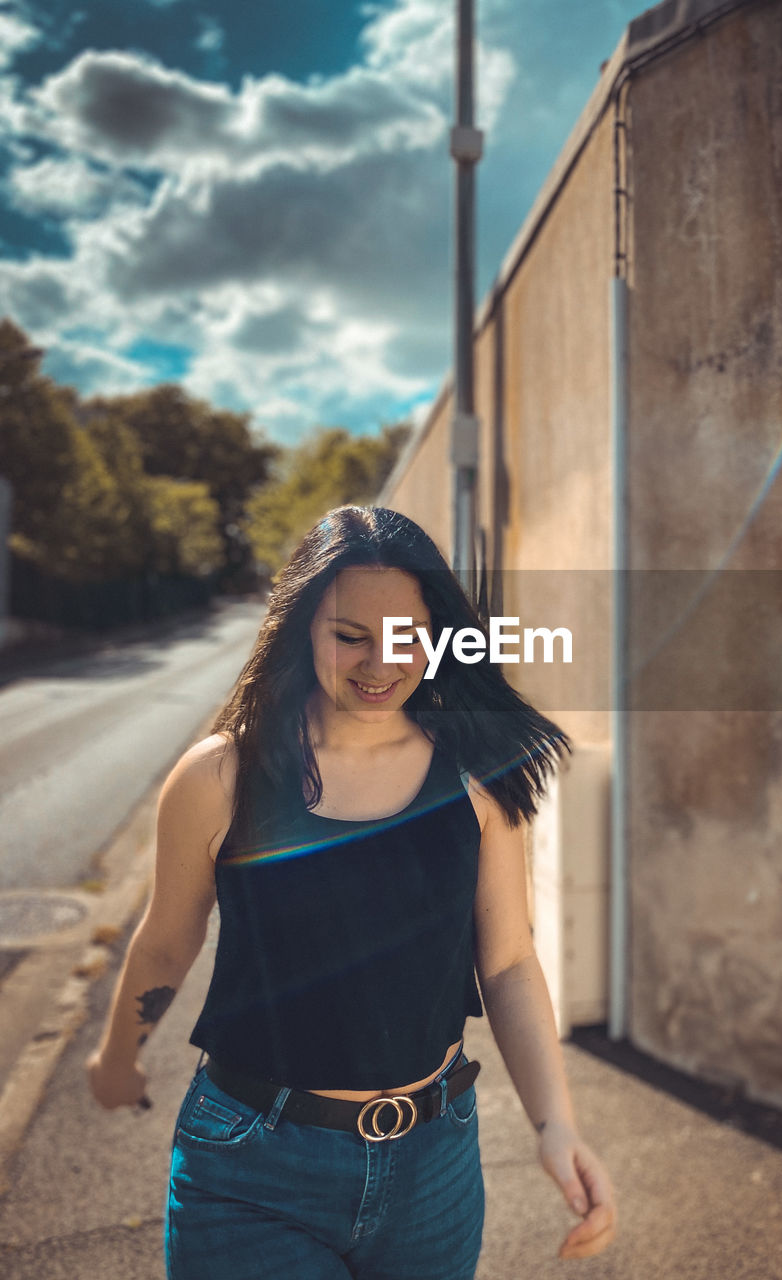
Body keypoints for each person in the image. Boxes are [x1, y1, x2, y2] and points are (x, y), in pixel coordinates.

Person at [86, 504, 616, 1279]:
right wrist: (116, 1058)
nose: (380, 663)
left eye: (406, 635)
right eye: (349, 636)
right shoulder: (219, 778)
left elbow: (506, 962)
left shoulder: (476, 779)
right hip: (250, 1173)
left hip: (434, 1171)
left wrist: (557, 1124)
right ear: (303, 627)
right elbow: (167, 940)